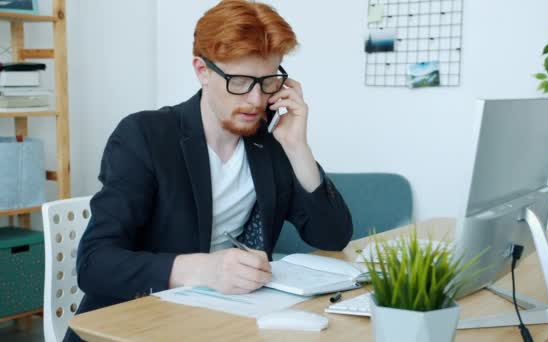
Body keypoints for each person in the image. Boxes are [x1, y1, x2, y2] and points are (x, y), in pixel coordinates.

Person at [64, 1, 353, 341]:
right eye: (241, 81)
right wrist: (202, 269)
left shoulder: (271, 144)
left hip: (222, 323)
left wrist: (297, 147)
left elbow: (333, 236)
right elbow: (94, 264)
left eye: (269, 81)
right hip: (133, 325)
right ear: (202, 70)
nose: (257, 100)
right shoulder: (145, 136)